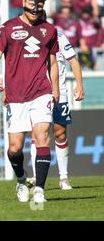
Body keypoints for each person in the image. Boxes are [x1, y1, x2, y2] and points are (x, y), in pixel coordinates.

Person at [0, 0, 60, 203]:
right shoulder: (8, 28)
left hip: (41, 91)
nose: (35, 12)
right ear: (24, 2)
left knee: (42, 138)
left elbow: (53, 62)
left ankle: (39, 189)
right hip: (16, 95)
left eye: (39, 8)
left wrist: (55, 89)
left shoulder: (49, 30)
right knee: (14, 148)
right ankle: (21, 180)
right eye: (32, 7)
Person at [28, 31, 85, 190]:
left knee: (60, 133)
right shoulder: (29, 37)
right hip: (38, 94)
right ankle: (36, 176)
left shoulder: (58, 36)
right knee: (37, 134)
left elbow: (73, 61)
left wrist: (80, 85)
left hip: (60, 94)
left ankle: (64, 178)